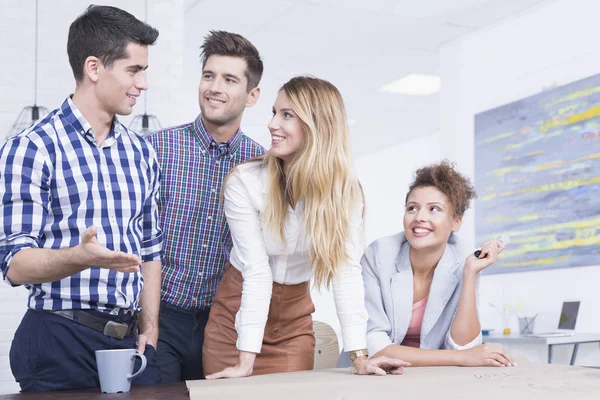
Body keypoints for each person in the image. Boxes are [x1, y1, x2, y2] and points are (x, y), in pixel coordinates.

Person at [202, 76, 409, 379]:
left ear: (317, 126)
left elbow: (346, 272)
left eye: (287, 115)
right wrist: (245, 359)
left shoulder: (345, 193)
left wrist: (359, 357)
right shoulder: (245, 182)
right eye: (274, 112)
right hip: (235, 322)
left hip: (293, 326)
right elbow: (257, 272)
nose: (272, 124)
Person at [0, 5, 162, 391]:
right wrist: (80, 257)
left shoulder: (141, 153)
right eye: (133, 70)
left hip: (129, 344)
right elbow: (14, 265)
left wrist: (150, 331)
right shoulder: (32, 148)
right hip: (58, 341)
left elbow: (152, 251)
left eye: (145, 71)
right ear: (93, 68)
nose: (143, 84)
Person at [145, 30, 265, 382]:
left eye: (229, 79)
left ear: (252, 95)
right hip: (159, 318)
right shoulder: (156, 149)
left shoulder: (263, 166)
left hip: (223, 323)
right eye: (208, 75)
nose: (214, 87)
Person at [361, 161, 516, 367]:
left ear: (456, 222)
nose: (420, 217)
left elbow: (463, 346)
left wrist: (470, 273)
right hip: (373, 377)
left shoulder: (464, 259)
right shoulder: (378, 255)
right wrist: (460, 358)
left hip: (430, 378)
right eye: (412, 208)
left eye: (434, 209)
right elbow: (375, 347)